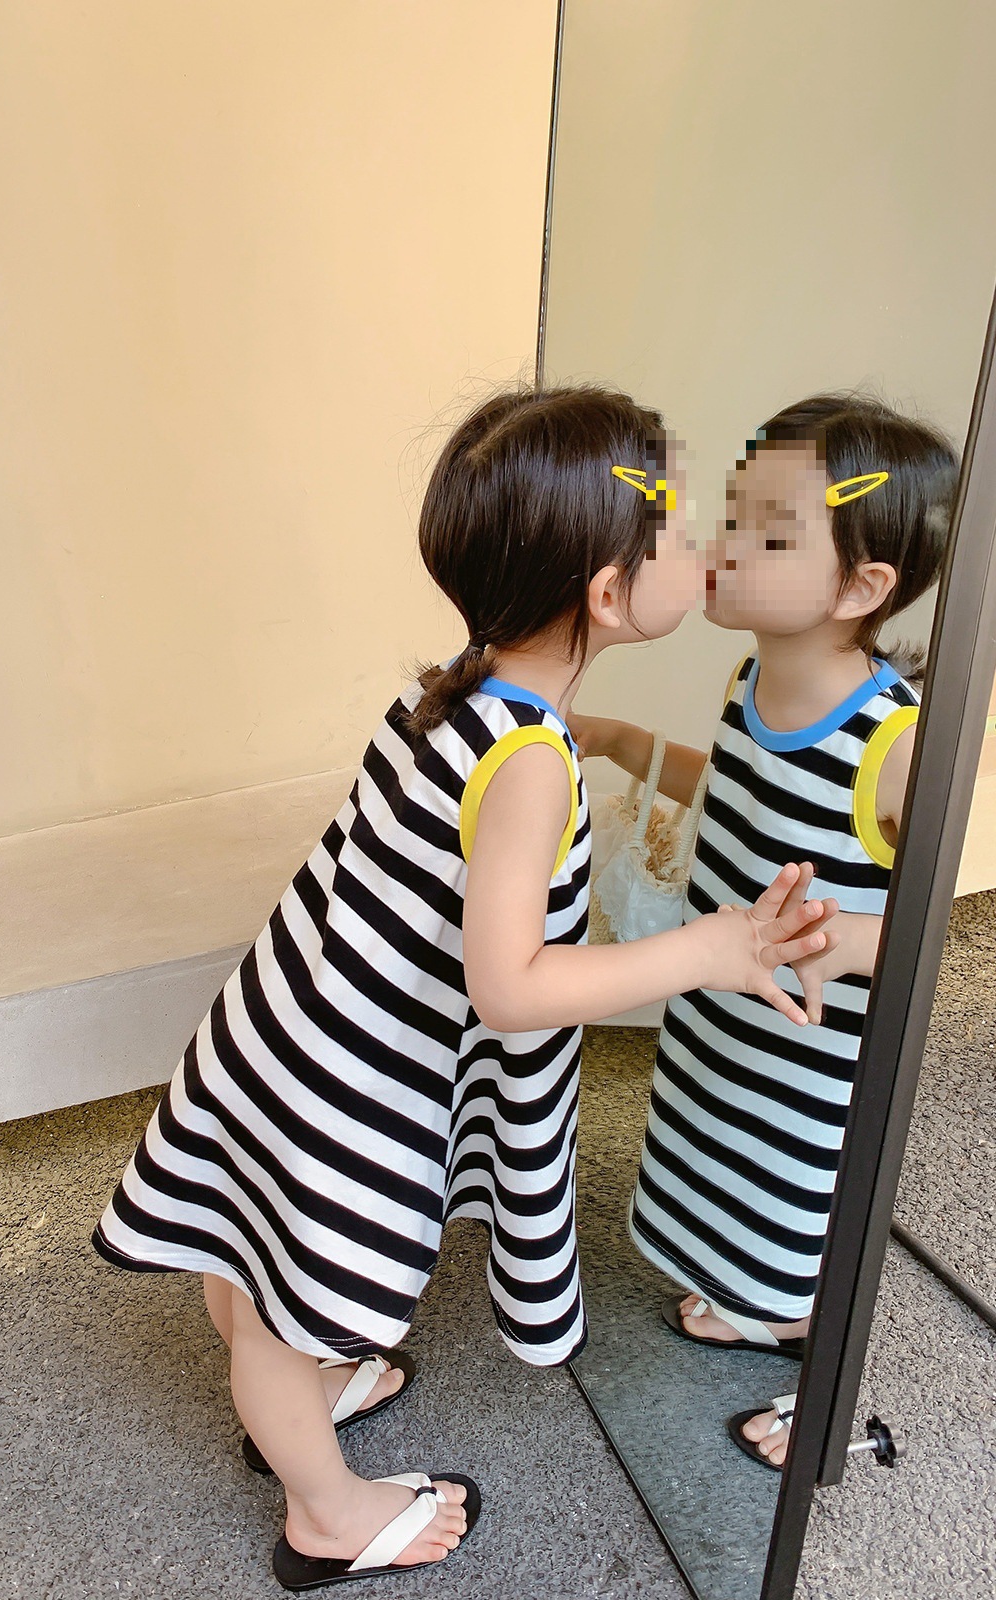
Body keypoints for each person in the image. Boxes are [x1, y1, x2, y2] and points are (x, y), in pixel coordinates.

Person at [91, 384, 835, 1586]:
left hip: (288, 1030)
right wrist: (711, 950)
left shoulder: (462, 683)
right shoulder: (528, 759)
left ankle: (308, 1389)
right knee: (280, 1307)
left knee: (254, 1251)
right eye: (682, 525)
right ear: (608, 595)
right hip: (345, 1088)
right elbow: (511, 987)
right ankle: (324, 1511)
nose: (703, 544)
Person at [570, 393, 958, 1469]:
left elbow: (926, 925)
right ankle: (762, 1308)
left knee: (801, 1209)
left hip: (810, 1048)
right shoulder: (750, 679)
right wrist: (624, 741)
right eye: (735, 513)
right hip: (726, 1014)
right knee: (714, 1152)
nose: (729, 543)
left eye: (772, 533)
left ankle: (825, 1378)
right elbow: (742, 787)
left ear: (860, 588)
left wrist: (840, 942)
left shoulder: (894, 743)